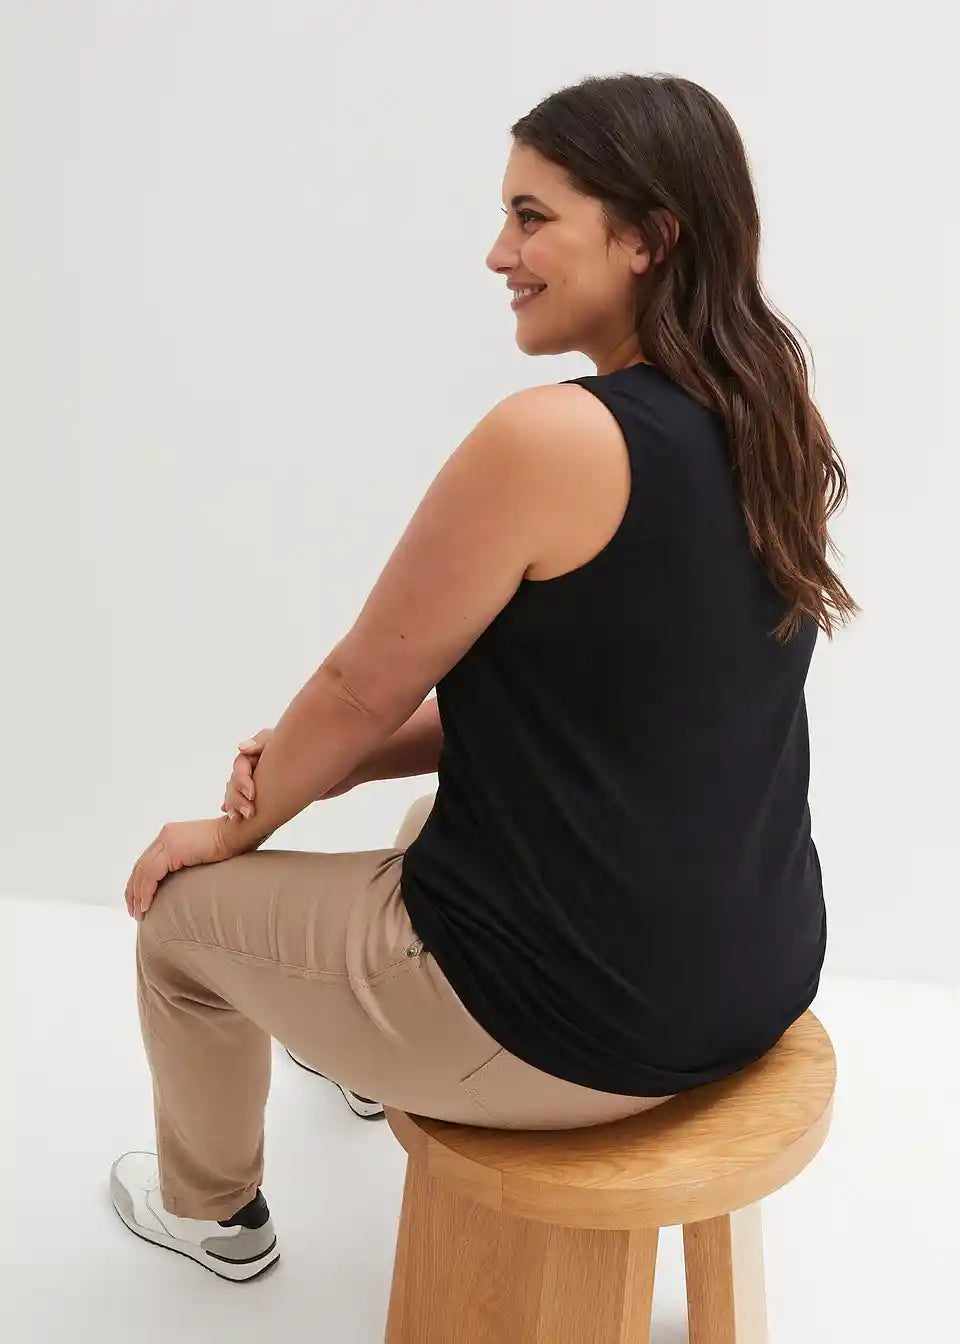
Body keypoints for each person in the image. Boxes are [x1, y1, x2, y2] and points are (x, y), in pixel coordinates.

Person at [110, 72, 859, 1282]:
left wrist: (236, 825)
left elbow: (355, 689)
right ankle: (363, 1058)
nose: (499, 253)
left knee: (182, 925)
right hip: (757, 969)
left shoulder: (553, 436)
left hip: (569, 1032)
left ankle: (213, 1215)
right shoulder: (767, 416)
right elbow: (607, 708)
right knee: (428, 822)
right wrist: (340, 765)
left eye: (531, 217)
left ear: (647, 237)